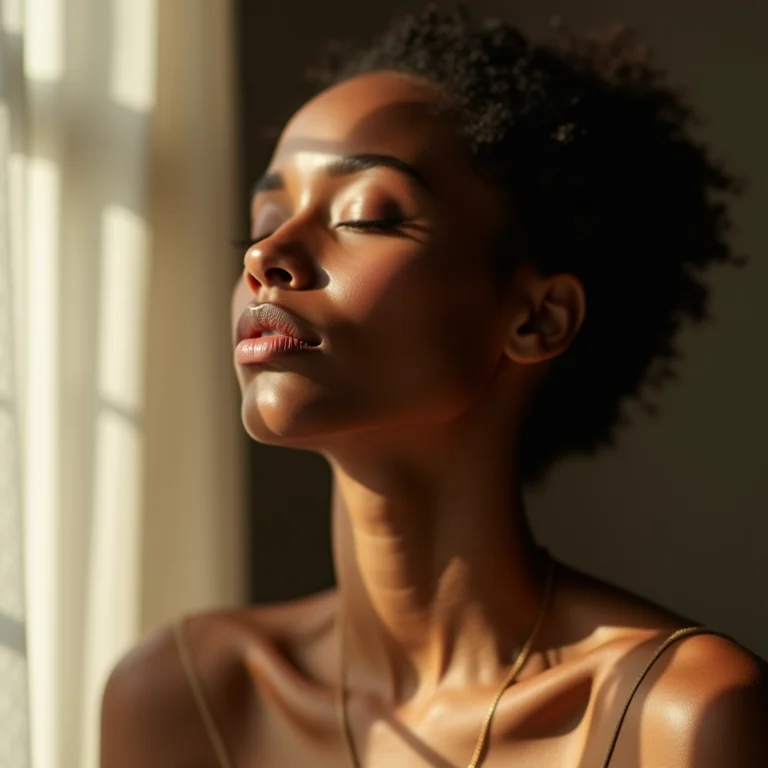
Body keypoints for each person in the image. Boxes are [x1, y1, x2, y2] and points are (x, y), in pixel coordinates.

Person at [100, 4, 768, 766]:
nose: (267, 254)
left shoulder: (678, 714)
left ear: (538, 319)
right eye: (265, 217)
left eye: (367, 215)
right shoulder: (181, 697)